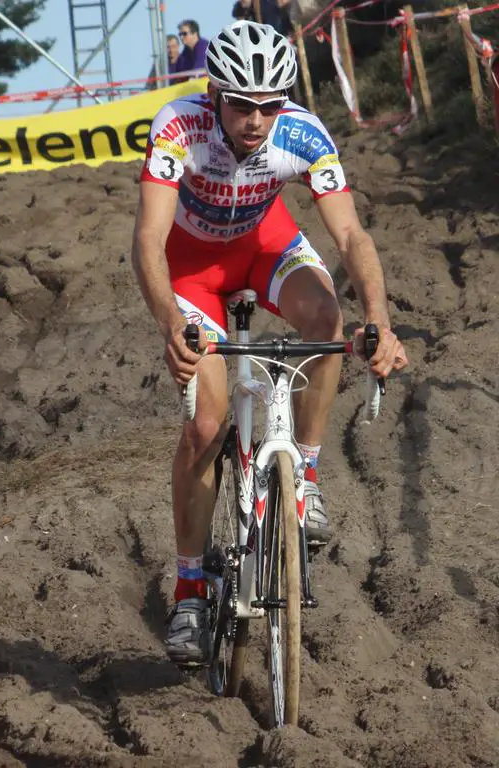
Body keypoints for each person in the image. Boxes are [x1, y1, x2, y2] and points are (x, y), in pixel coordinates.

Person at [132, 21, 408, 666]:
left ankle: (304, 475)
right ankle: (191, 589)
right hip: (193, 270)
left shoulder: (303, 131)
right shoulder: (179, 124)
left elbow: (352, 236)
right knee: (207, 423)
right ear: (216, 92)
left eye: (269, 105)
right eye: (241, 104)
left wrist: (381, 319)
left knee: (328, 322)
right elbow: (148, 238)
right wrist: (171, 327)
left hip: (264, 247)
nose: (256, 120)